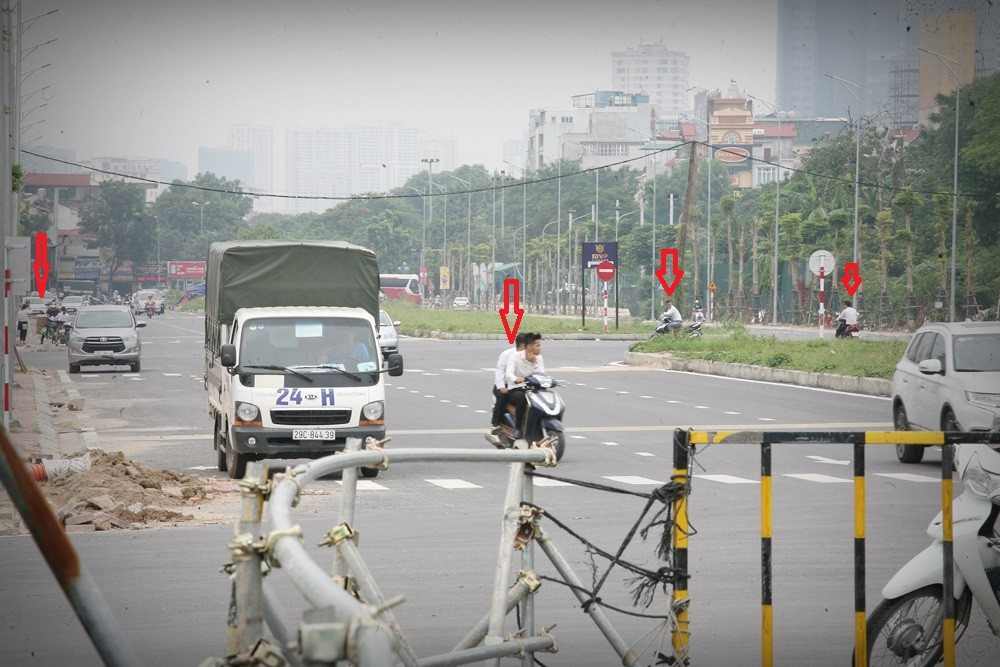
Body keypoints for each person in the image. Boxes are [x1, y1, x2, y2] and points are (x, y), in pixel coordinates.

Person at [487, 333, 526, 445]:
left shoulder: (529, 356)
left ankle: (521, 426)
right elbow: (499, 371)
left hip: (518, 387)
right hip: (504, 385)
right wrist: (501, 387)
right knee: (503, 396)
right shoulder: (507, 354)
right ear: (522, 345)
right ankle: (495, 425)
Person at [505, 333, 546, 437]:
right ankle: (518, 428)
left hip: (532, 389)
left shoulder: (539, 358)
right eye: (538, 346)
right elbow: (509, 374)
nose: (540, 348)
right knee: (521, 398)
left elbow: (542, 374)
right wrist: (516, 379)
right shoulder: (515, 356)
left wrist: (534, 362)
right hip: (516, 389)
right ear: (529, 347)